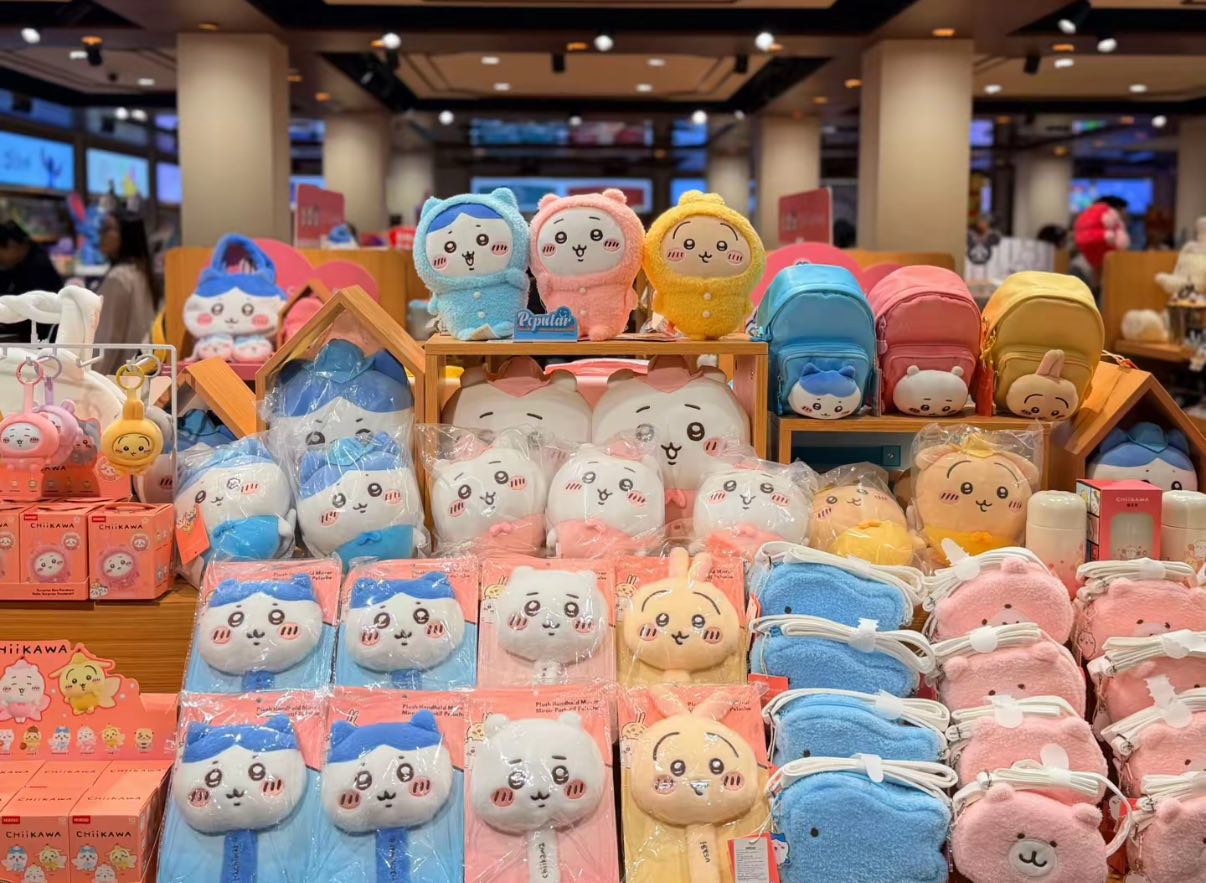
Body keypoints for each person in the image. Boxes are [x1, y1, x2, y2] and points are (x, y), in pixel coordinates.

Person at [93, 211, 157, 374]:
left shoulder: (119, 277)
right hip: (137, 370)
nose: (101, 235)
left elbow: (107, 338)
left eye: (107, 229)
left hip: (115, 374)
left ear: (126, 234)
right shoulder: (140, 271)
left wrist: (92, 377)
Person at [0, 220, 63, 342]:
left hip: (42, 337)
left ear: (12, 245)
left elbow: (32, 310)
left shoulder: (37, 267)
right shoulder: (17, 264)